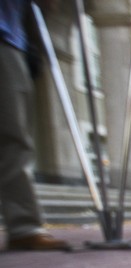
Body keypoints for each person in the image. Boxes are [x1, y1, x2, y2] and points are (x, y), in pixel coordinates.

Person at [1, 1, 70, 251]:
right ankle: (24, 226)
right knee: (13, 136)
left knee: (14, 135)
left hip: (10, 38)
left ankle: (24, 227)